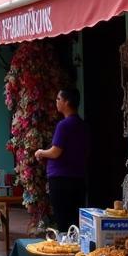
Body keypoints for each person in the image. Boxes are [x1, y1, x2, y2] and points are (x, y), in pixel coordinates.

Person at [34, 88, 89, 232]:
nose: (56, 102)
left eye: (59, 99)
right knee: (75, 219)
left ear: (67, 102)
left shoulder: (63, 125)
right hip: (78, 178)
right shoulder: (82, 124)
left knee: (63, 219)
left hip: (61, 179)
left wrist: (41, 152)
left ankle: (65, 249)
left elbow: (55, 152)